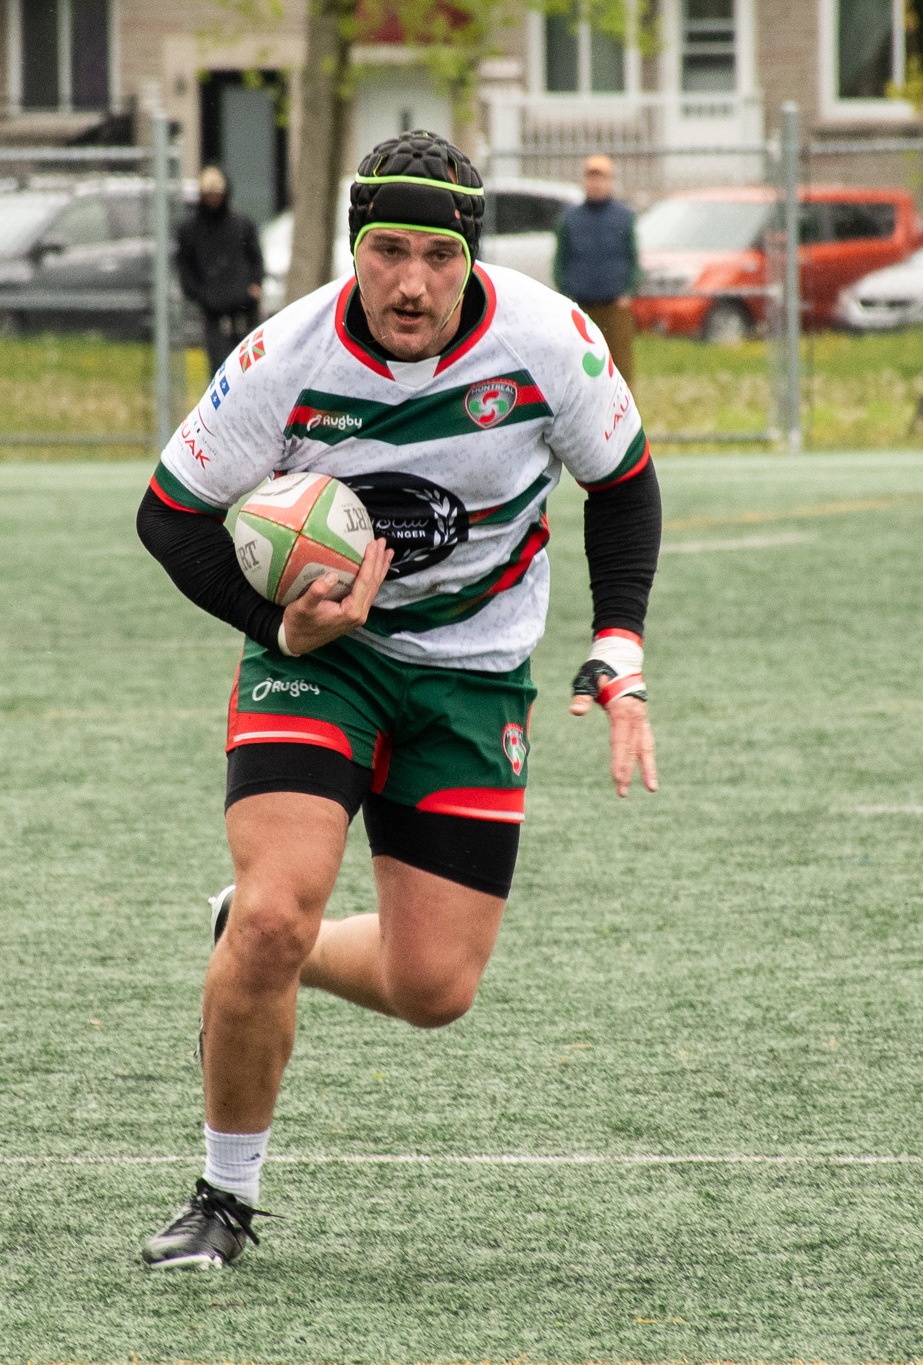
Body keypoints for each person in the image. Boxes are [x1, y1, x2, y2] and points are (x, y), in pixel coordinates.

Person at [134, 130, 662, 1269]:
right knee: (279, 906)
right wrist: (280, 625)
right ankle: (223, 1199)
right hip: (320, 662)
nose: (409, 282)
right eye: (385, 251)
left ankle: (255, 944)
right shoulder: (286, 355)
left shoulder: (547, 341)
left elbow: (622, 485)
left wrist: (616, 644)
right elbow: (167, 514)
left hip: (475, 669)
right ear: (353, 249)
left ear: (470, 256)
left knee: (432, 989)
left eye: (435, 253)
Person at [553, 154, 641, 385]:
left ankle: (623, 417)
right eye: (591, 177)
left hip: (615, 305)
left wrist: (628, 291)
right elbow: (560, 259)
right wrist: (565, 293)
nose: (596, 183)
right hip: (582, 305)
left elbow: (633, 258)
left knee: (621, 366)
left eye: (601, 178)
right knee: (581, 364)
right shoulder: (570, 218)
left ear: (610, 181)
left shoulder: (624, 217)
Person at [176, 166, 266, 376]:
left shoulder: (242, 225)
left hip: (245, 315)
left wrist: (254, 287)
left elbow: (256, 261)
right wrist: (201, 295)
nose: (214, 199)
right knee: (220, 374)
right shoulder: (190, 230)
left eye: (217, 194)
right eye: (209, 194)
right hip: (214, 317)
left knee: (251, 373)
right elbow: (185, 269)